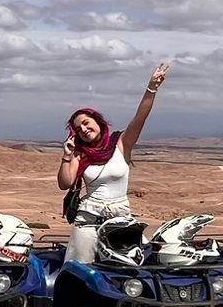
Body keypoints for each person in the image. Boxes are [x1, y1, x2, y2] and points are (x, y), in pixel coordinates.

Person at [57, 62, 170, 264]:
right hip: (89, 220)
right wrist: (67, 155)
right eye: (78, 129)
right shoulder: (79, 154)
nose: (83, 129)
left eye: (85, 122)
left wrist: (152, 88)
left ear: (97, 120)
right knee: (81, 270)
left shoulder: (121, 144)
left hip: (120, 219)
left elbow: (140, 117)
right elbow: (65, 183)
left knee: (130, 270)